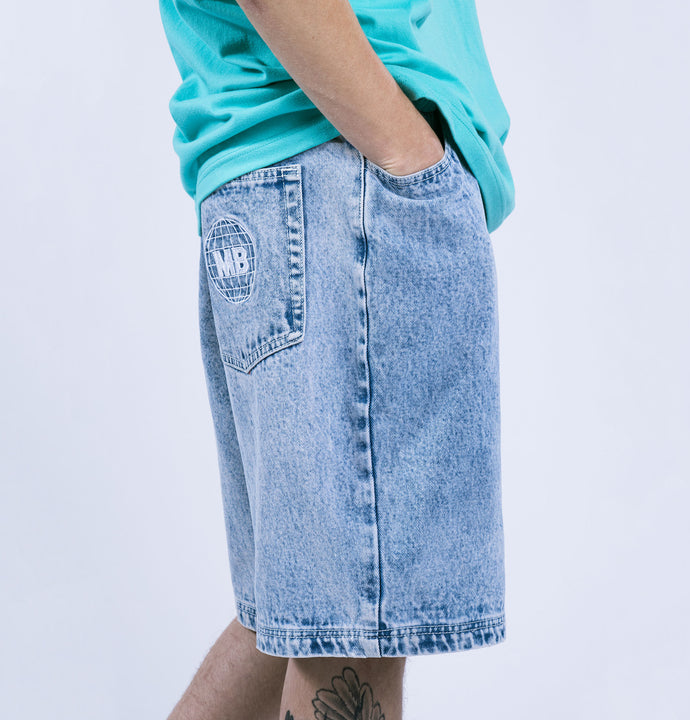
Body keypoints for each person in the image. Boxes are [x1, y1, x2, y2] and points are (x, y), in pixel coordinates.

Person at [158, 1, 516, 718]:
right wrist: (405, 153)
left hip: (295, 169)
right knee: (352, 630)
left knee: (302, 612)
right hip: (342, 163)